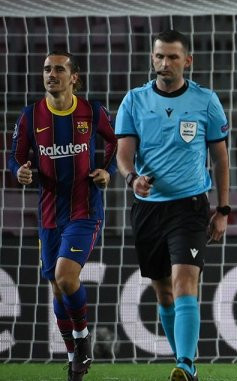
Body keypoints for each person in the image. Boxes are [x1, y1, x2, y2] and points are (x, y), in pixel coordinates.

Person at [114, 30, 230, 381]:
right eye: (160, 56)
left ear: (187, 61)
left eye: (173, 57)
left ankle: (185, 365)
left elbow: (220, 160)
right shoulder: (133, 101)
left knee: (184, 281)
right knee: (163, 290)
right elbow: (123, 154)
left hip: (190, 206)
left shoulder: (206, 100)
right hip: (148, 207)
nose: (165, 63)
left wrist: (223, 210)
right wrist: (132, 178)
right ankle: (185, 353)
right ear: (153, 59)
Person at [8, 50, 117, 381]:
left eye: (58, 68)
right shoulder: (30, 117)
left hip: (85, 210)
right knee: (57, 288)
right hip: (50, 215)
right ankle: (74, 359)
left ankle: (83, 341)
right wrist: (20, 172)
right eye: (46, 69)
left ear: (74, 77)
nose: (51, 73)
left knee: (67, 277)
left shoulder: (92, 111)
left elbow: (116, 143)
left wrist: (107, 170)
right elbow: (15, 158)